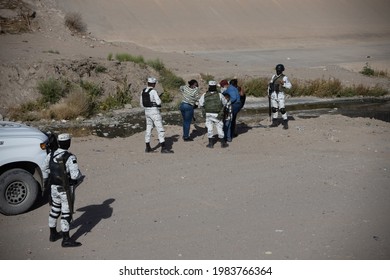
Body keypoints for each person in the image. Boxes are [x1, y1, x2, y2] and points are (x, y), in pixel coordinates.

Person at [43, 133, 83, 247]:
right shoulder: (70, 157)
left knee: (55, 210)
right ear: (69, 143)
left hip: (53, 188)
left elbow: (44, 168)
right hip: (65, 190)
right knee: (66, 213)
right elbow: (75, 176)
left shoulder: (51, 154)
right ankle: (66, 239)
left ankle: (53, 234)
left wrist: (49, 179)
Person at [140, 77, 173, 153]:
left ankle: (147, 147)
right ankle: (163, 148)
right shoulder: (153, 92)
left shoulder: (143, 91)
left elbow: (141, 104)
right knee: (160, 129)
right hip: (154, 111)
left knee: (148, 128)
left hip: (147, 111)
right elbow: (158, 102)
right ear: (153, 84)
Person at [199, 81, 228, 148]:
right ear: (215, 87)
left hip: (208, 114)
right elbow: (225, 103)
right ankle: (223, 143)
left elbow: (201, 104)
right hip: (218, 114)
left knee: (209, 128)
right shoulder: (220, 95)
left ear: (209, 87)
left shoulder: (204, 95)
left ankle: (210, 144)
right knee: (220, 128)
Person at [268, 64, 292, 129]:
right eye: (277, 70)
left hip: (280, 94)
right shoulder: (273, 76)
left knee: (282, 109)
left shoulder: (284, 77)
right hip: (273, 94)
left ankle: (285, 123)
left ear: (282, 70)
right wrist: (269, 93)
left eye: (279, 70)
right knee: (274, 109)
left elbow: (289, 86)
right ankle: (274, 122)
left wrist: (283, 84)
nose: (278, 71)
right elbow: (270, 85)